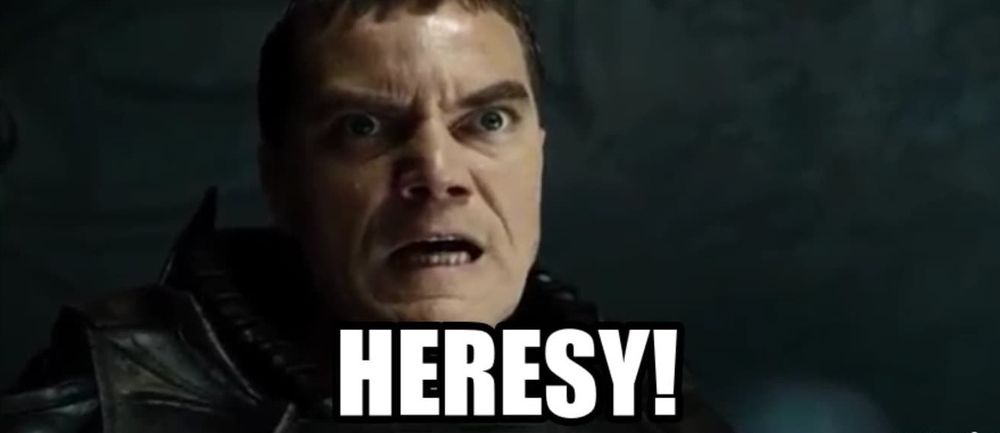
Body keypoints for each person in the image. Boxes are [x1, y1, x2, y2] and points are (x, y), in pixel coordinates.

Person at [0, 1, 734, 432]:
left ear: (537, 156)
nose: (439, 175)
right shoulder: (114, 397)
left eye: (487, 121)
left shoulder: (640, 399)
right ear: (282, 181)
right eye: (363, 128)